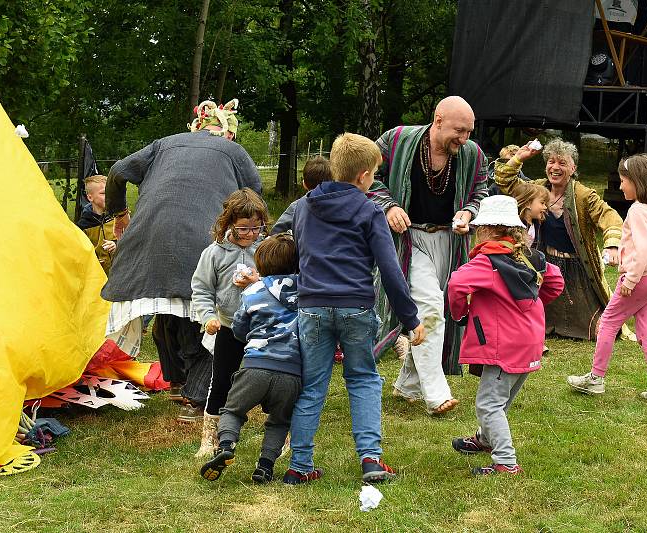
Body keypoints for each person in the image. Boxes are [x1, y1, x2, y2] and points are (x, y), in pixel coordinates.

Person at [102, 98, 261, 422]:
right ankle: (196, 397)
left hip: (149, 237)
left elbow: (119, 171)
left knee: (168, 306)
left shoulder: (164, 144)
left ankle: (177, 383)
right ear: (227, 132)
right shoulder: (232, 151)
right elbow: (253, 196)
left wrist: (119, 213)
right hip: (201, 239)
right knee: (206, 314)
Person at [284, 133, 426, 485]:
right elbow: (390, 269)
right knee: (363, 378)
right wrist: (410, 320)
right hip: (356, 306)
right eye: (376, 173)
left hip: (312, 306)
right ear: (364, 175)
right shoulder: (369, 210)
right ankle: (370, 459)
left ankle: (299, 465)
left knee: (312, 385)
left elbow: (300, 252)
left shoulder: (303, 207)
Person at [369, 95, 489, 416]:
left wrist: (468, 211)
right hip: (408, 241)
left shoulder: (471, 154)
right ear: (438, 120)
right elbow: (366, 175)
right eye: (459, 131)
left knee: (442, 309)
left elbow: (481, 188)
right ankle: (435, 393)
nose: (464, 139)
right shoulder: (397, 141)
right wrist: (389, 205)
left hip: (451, 243)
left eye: (469, 132)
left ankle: (407, 384)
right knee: (430, 306)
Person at [447, 196, 564, 475]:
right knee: (502, 398)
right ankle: (486, 438)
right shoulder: (533, 257)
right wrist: (529, 303)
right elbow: (556, 282)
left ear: (486, 230)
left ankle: (506, 462)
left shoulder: (487, 262)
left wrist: (459, 313)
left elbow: (456, 285)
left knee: (489, 404)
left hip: (503, 345)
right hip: (530, 341)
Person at [494, 139, 629, 341]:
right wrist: (518, 158)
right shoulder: (537, 189)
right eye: (551, 162)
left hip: (578, 268)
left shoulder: (583, 195)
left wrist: (612, 245)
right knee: (535, 319)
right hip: (545, 264)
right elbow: (505, 181)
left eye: (562, 163)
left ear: (573, 168)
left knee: (596, 329)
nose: (555, 167)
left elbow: (609, 217)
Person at [567, 154, 647, 404]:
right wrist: (635, 259)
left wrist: (631, 278)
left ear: (636, 181)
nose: (620, 186)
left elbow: (646, 248)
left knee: (608, 322)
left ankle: (595, 379)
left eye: (624, 180)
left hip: (639, 280)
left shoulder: (637, 211)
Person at [199, 233, 302, 483]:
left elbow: (239, 328)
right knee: (279, 421)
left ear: (262, 264)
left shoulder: (253, 290)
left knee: (233, 410)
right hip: (291, 372)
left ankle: (226, 446)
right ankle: (265, 465)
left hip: (255, 367)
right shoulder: (307, 290)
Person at [191, 188, 267, 453]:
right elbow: (201, 289)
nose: (250, 234)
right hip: (228, 327)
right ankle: (209, 439)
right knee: (222, 380)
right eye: (243, 229)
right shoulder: (214, 253)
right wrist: (209, 316)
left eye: (256, 228)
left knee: (269, 378)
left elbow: (280, 281)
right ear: (229, 224)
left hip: (263, 328)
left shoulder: (265, 249)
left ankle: (279, 434)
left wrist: (258, 280)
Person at [270, 156, 332, 234]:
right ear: (332, 182)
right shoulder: (341, 204)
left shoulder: (296, 206)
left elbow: (275, 233)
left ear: (304, 184)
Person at [76, 175, 117, 274]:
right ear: (90, 197)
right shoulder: (83, 226)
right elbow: (80, 254)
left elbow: (131, 240)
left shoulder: (118, 217)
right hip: (98, 277)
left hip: (121, 273)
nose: (108, 196)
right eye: (103, 193)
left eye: (110, 192)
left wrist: (117, 245)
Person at [509, 180, 549, 247]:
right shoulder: (515, 227)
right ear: (528, 204)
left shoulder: (538, 224)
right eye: (542, 203)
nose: (545, 207)